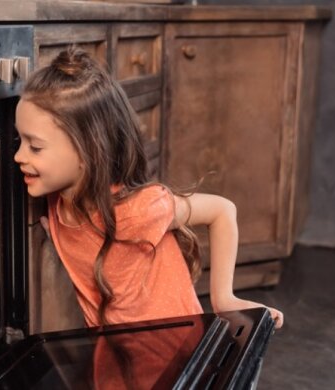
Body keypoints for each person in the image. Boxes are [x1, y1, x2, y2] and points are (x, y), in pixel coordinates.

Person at [14, 47, 284, 329]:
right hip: (119, 355)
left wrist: (223, 298)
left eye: (35, 146)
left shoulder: (136, 210)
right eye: (19, 140)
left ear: (88, 153)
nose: (19, 156)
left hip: (177, 354)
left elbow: (222, 210)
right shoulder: (58, 199)